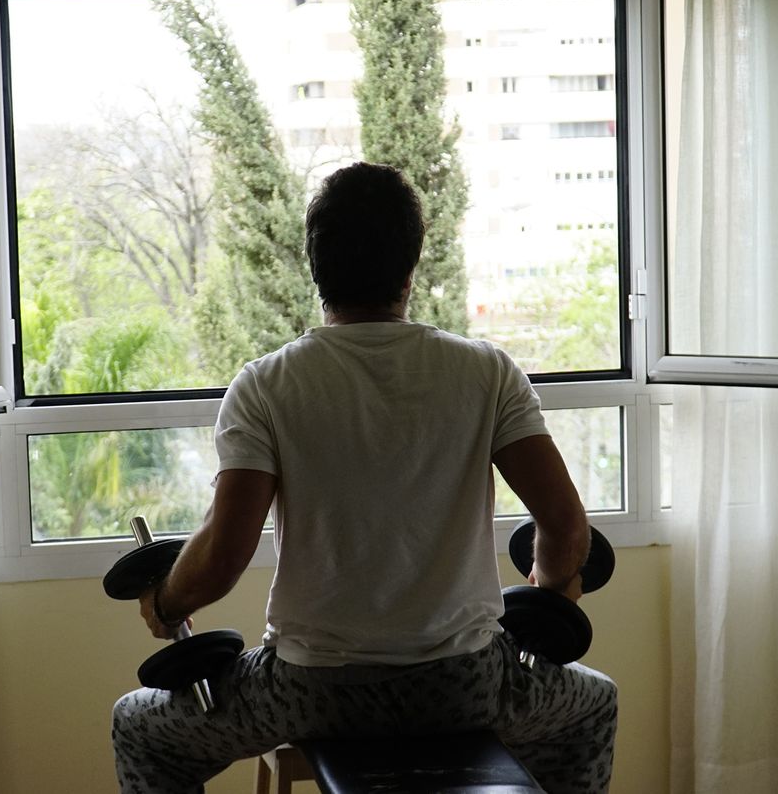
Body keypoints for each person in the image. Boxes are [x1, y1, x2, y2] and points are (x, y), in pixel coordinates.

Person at [111, 162, 617, 794]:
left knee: (138, 725)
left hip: (312, 691)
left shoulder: (266, 384)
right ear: (412, 268)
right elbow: (566, 526)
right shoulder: (488, 372)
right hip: (466, 688)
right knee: (594, 704)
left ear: (316, 267)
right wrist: (551, 597)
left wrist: (166, 603)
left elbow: (222, 557)